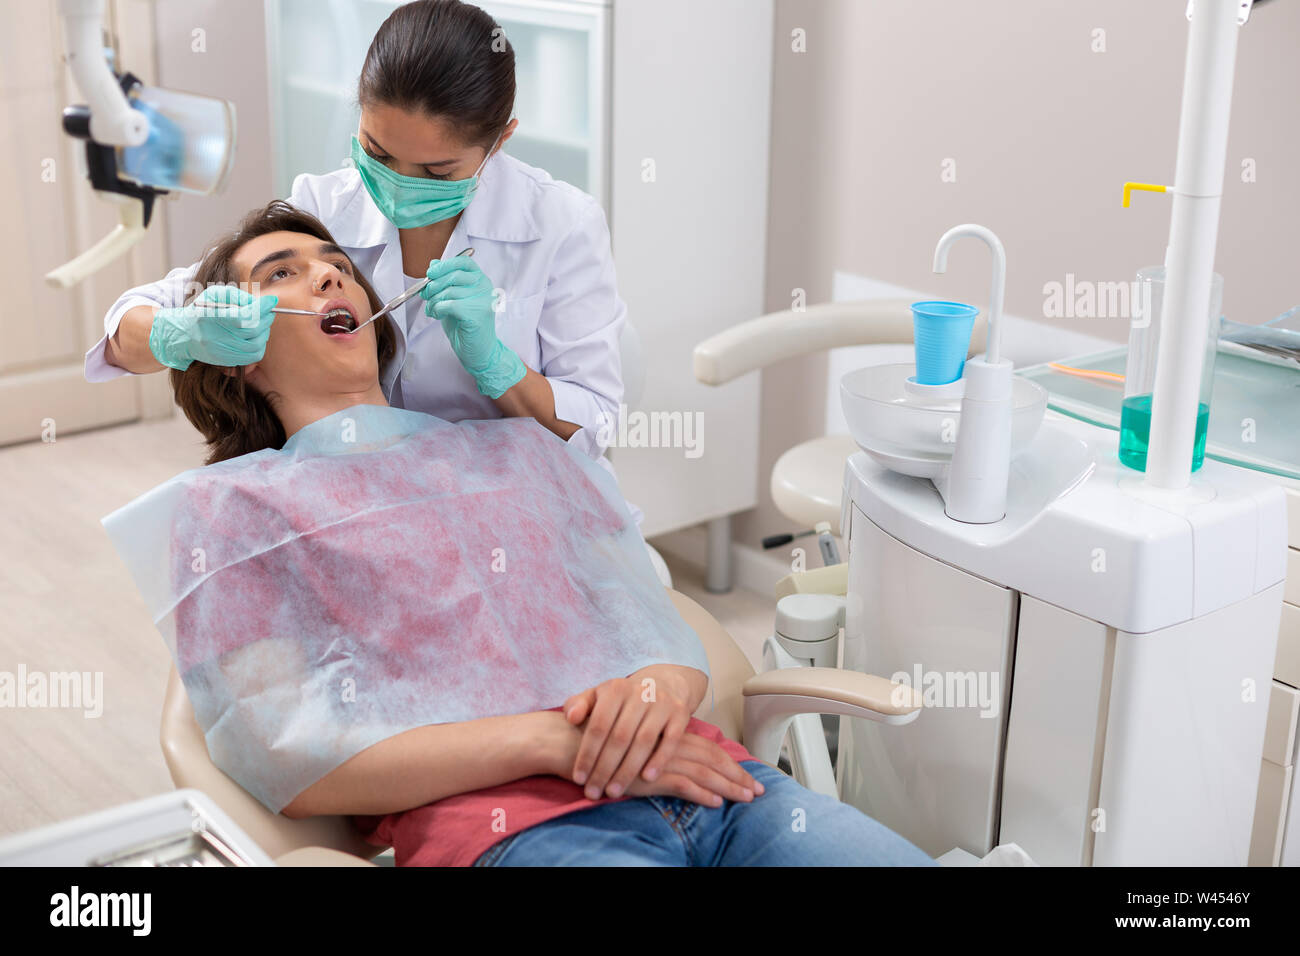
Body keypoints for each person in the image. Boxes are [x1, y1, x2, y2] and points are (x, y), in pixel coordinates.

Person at [122, 201, 933, 867]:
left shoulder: (513, 447)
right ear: (238, 357)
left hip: (719, 785)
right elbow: (289, 762)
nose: (327, 271)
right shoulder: (234, 512)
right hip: (520, 832)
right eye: (281, 274)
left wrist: (661, 692)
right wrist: (555, 745)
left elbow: (656, 626)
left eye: (332, 261)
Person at [86, 0, 640, 522]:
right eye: (377, 152)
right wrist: (177, 336)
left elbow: (592, 429)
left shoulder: (561, 224)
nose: (398, 183)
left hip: (528, 509)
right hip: (362, 507)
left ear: (499, 142)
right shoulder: (321, 209)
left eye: (436, 172)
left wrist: (498, 365)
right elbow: (126, 327)